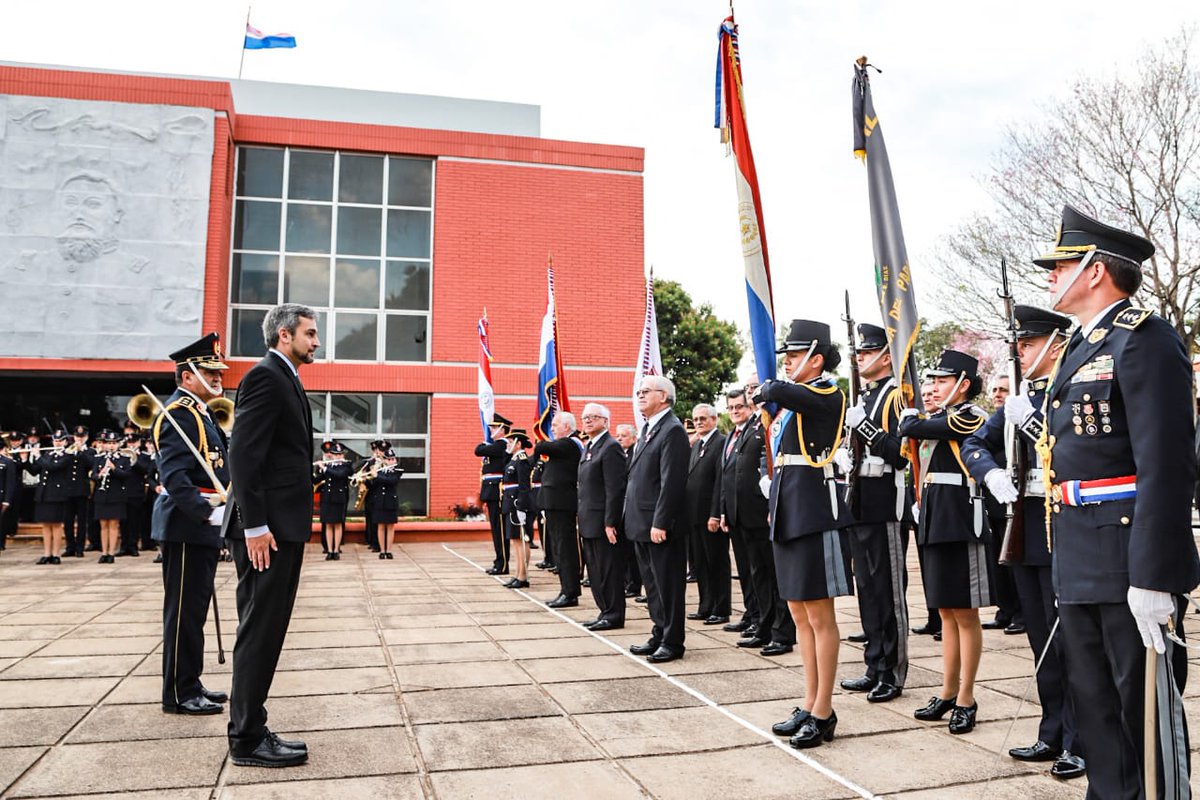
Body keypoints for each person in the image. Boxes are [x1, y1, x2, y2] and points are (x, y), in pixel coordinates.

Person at [1035, 204, 1199, 797]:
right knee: (1097, 717)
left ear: (1095, 270)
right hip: (1079, 554)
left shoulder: (1144, 339)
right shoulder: (1079, 346)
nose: (1050, 277)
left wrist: (1155, 576)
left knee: (1144, 719)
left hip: (1128, 556)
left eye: (1059, 266)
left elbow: (1168, 464)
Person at [962, 304, 1085, 780]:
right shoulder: (1018, 398)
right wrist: (990, 473)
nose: (1021, 351)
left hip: (1064, 526)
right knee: (1041, 638)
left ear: (1056, 345)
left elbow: (1078, 448)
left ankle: (1080, 738)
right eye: (1018, 344)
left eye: (1029, 344)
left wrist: (1033, 423)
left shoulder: (1070, 389)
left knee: (1070, 639)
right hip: (1026, 526)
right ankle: (1052, 729)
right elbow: (975, 444)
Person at [224, 303, 319, 768]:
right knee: (259, 630)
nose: (316, 341)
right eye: (310, 333)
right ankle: (245, 738)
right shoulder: (265, 377)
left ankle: (252, 725)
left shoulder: (285, 376)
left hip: (282, 526)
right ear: (285, 335)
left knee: (267, 629)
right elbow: (242, 456)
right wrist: (255, 526)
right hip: (269, 532)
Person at [756, 320, 853, 749]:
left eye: (794, 355)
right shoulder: (797, 401)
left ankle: (824, 709)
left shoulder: (827, 393)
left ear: (816, 359)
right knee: (798, 612)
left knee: (820, 615)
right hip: (788, 507)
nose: (788, 363)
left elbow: (778, 390)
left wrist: (771, 383)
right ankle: (810, 699)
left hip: (814, 510)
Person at [898, 350, 991, 735]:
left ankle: (967, 697)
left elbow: (935, 430)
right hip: (935, 517)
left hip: (960, 520)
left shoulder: (971, 415)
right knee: (947, 613)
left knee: (966, 614)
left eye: (941, 381)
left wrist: (912, 421)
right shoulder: (934, 419)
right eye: (932, 380)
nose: (933, 388)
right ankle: (948, 690)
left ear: (963, 385)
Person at [152, 332, 232, 716]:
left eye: (218, 372)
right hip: (187, 525)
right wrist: (206, 513)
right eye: (208, 372)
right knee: (183, 612)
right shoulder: (178, 414)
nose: (217, 378)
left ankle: (191, 681)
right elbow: (175, 476)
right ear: (187, 376)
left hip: (203, 524)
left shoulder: (200, 411)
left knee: (195, 609)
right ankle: (178, 693)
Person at [836, 322, 911, 704]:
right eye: (859, 352)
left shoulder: (896, 397)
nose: (860, 357)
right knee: (867, 589)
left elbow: (902, 452)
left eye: (866, 352)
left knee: (888, 592)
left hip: (885, 503)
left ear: (886, 355)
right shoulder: (863, 397)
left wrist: (864, 430)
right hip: (860, 501)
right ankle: (874, 663)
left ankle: (893, 671)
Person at [624, 375, 691, 663]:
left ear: (664, 397)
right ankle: (659, 631)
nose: (639, 395)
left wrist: (660, 522)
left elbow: (671, 482)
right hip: (641, 523)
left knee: (668, 586)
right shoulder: (650, 429)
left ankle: (673, 641)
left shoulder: (672, 430)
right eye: (638, 391)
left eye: (646, 391)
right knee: (652, 585)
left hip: (660, 525)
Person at [715, 388, 767, 640]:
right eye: (731, 407)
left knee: (760, 571)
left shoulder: (758, 430)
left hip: (755, 513)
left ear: (750, 407)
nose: (735, 411)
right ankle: (751, 614)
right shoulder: (732, 436)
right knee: (746, 571)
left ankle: (761, 620)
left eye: (740, 407)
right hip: (735, 515)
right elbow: (726, 477)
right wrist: (723, 510)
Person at [980, 374, 1025, 636]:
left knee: (1014, 562)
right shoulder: (995, 423)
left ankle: (1021, 613)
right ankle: (1005, 609)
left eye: (1003, 389)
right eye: (994, 389)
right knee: (997, 562)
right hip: (994, 498)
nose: (997, 394)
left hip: (1016, 501)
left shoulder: (1018, 420)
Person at [577, 403, 627, 631]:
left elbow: (615, 488)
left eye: (593, 417)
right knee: (595, 571)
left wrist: (610, 522)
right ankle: (604, 611)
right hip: (588, 520)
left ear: (606, 421)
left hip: (603, 522)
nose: (587, 421)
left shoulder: (611, 447)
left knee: (609, 571)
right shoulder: (590, 447)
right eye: (585, 417)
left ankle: (614, 614)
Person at [534, 412, 585, 608]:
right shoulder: (564, 445)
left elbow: (541, 446)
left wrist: (541, 444)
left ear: (567, 426)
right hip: (555, 503)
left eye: (555, 425)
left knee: (565, 549)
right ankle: (566, 590)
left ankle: (570, 592)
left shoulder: (569, 443)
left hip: (562, 504)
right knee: (559, 549)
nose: (552, 428)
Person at [685, 404, 729, 625]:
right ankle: (705, 605)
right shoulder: (696, 445)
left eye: (703, 418)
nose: (699, 422)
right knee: (700, 564)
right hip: (693, 515)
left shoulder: (721, 443)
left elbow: (719, 482)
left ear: (714, 419)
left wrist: (715, 514)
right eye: (696, 419)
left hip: (709, 516)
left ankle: (721, 609)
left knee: (716, 563)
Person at [910, 380, 942, 642]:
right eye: (926, 394)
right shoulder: (926, 426)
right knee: (927, 565)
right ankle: (934, 616)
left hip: (943, 506)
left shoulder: (937, 424)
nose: (929, 397)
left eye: (934, 392)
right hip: (923, 502)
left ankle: (942, 618)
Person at [23, 430, 73, 565]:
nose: (57, 443)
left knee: (56, 525)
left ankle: (56, 554)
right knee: (45, 525)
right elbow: (34, 470)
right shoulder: (48, 454)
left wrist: (38, 456)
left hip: (56, 494)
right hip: (44, 494)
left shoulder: (67, 456)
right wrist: (25, 459)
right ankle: (47, 553)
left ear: (65, 442)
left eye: (60, 440)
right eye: (56, 440)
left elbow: (54, 467)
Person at [475, 414, 513, 575]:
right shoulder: (496, 445)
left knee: (500, 530)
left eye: (494, 427)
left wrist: (485, 442)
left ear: (502, 430)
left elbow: (478, 450)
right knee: (496, 529)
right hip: (491, 491)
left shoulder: (501, 445)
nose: (490, 429)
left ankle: (502, 563)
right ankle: (499, 560)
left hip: (497, 491)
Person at [90, 430, 132, 564]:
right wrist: (99, 475)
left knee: (114, 524)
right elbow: (93, 475)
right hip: (102, 495)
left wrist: (114, 469)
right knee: (103, 525)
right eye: (109, 443)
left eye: (114, 443)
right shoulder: (99, 458)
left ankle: (112, 552)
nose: (111, 446)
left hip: (116, 495)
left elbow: (126, 475)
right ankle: (104, 552)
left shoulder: (124, 459)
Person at [500, 428, 534, 589]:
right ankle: (517, 573)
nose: (507, 445)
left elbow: (524, 486)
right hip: (509, 502)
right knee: (514, 540)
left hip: (516, 504)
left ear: (518, 443)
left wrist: (522, 506)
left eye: (509, 442)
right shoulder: (513, 459)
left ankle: (523, 576)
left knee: (520, 540)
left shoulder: (521, 460)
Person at [613, 423, 643, 599]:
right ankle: (627, 582)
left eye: (623, 436)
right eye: (617, 435)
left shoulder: (634, 454)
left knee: (632, 551)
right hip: (622, 506)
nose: (619, 439)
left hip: (631, 506)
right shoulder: (621, 454)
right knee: (623, 549)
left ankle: (634, 585)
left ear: (633, 438)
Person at [315, 442, 352, 560]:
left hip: (339, 498)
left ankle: (336, 550)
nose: (338, 456)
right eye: (336, 454)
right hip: (327, 498)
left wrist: (324, 468)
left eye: (340, 454)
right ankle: (329, 550)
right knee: (328, 524)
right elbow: (317, 480)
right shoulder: (328, 466)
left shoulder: (346, 466)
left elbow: (339, 475)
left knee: (337, 524)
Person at [366, 444, 402, 559]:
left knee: (390, 527)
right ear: (384, 460)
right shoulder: (379, 470)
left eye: (393, 459)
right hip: (380, 502)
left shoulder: (397, 471)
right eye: (389, 459)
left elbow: (392, 481)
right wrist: (370, 477)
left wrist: (377, 476)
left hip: (391, 502)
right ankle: (382, 550)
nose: (391, 461)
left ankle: (389, 550)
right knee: (381, 526)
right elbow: (373, 486)